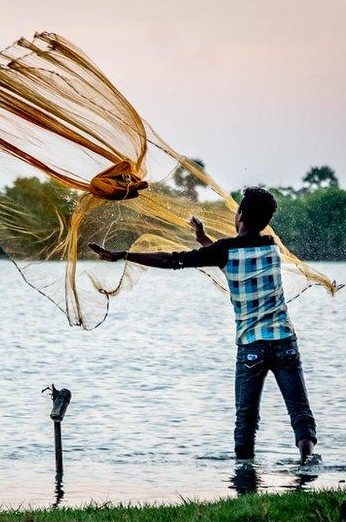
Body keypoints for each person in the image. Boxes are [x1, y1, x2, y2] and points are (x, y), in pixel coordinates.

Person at [88, 187, 317, 463]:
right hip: (284, 342)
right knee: (300, 414)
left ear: (240, 215)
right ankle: (307, 466)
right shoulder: (271, 246)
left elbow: (175, 260)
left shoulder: (225, 250)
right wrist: (203, 239)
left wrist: (124, 254)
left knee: (246, 421)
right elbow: (230, 253)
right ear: (265, 222)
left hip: (251, 348)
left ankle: (245, 479)